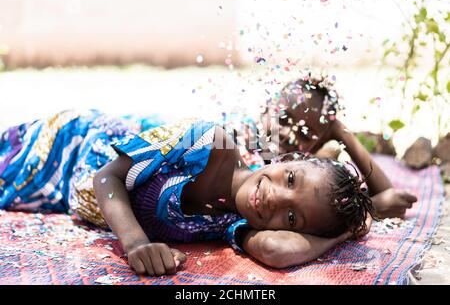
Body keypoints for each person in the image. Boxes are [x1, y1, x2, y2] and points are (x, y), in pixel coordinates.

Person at [0, 110, 373, 276]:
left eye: (292, 218)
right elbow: (106, 179)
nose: (276, 199)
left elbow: (276, 252)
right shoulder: (208, 143)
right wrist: (135, 244)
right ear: (289, 159)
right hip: (69, 147)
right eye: (290, 179)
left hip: (64, 199)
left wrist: (340, 235)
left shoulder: (236, 222)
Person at [227, 71, 418, 219]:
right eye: (283, 119)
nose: (288, 134)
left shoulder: (298, 175)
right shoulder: (243, 136)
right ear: (267, 107)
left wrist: (341, 132)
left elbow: (387, 194)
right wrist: (371, 208)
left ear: (316, 145)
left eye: (305, 134)